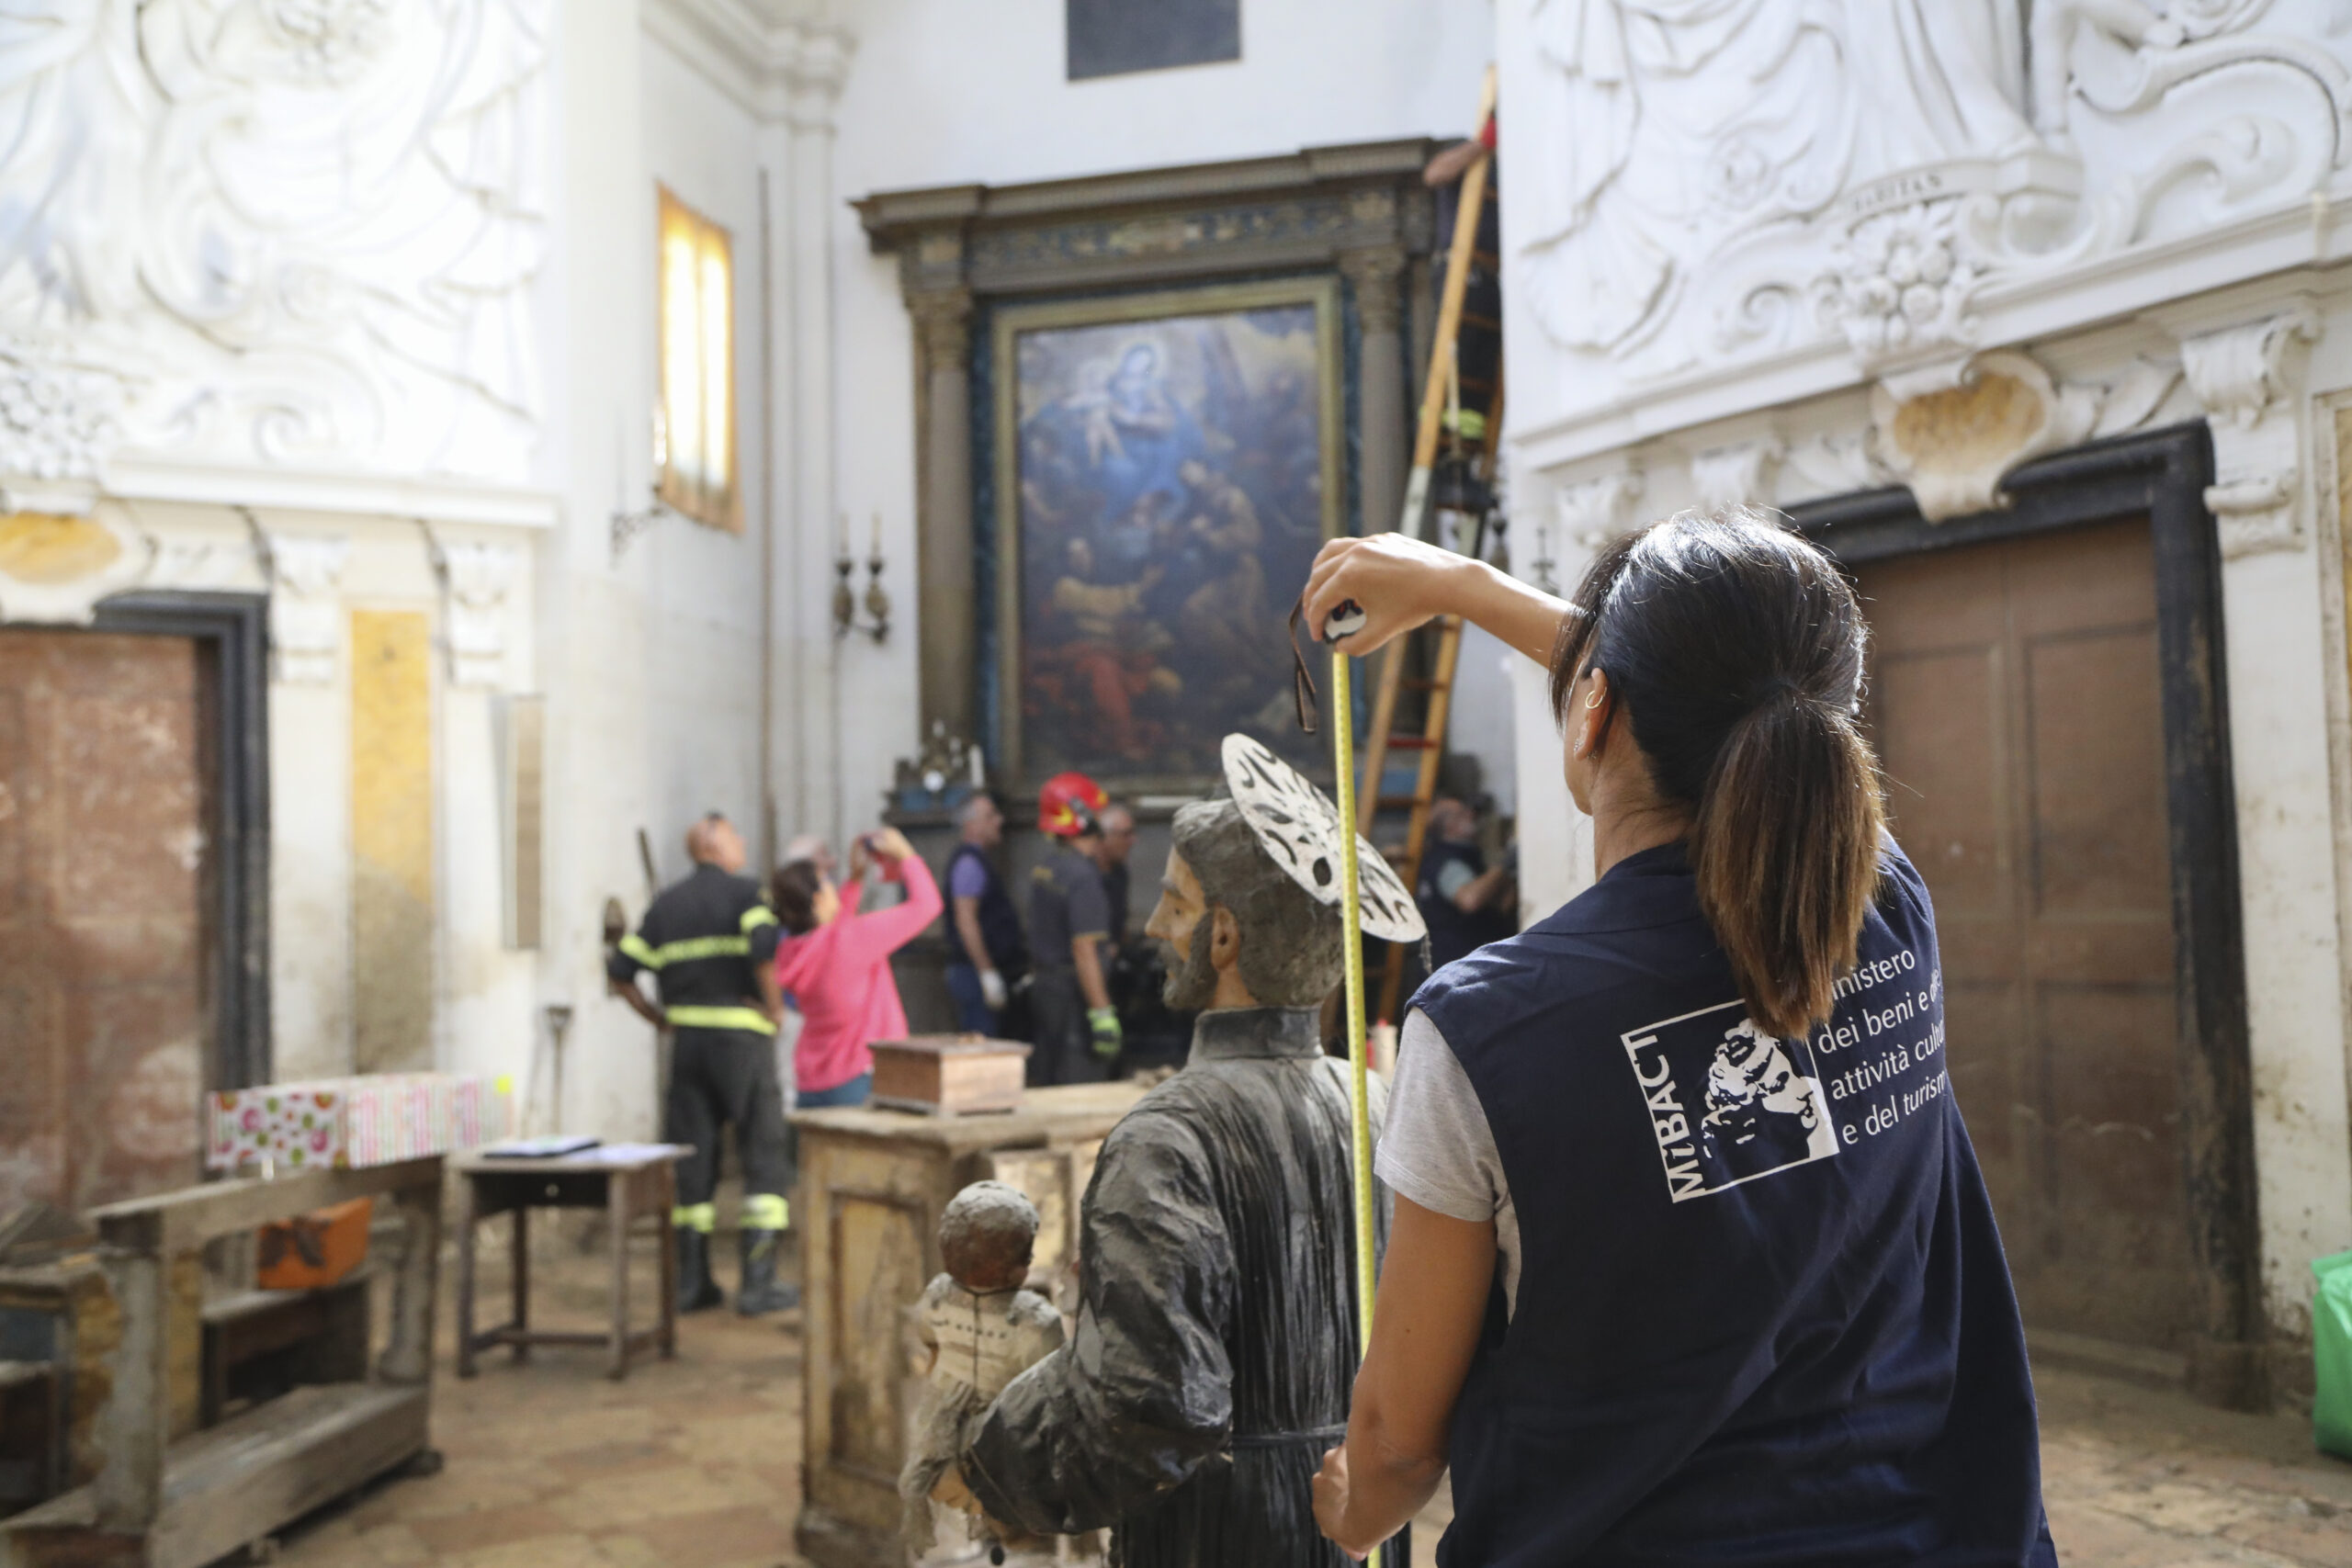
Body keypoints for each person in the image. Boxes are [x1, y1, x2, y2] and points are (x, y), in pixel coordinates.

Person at [1301, 512, 2056, 1566]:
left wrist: (1350, 1512)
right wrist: (1468, 585)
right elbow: (1735, 692)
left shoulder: (1484, 1028)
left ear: (1593, 706)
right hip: (1946, 1532)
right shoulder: (1881, 904)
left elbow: (1394, 1444)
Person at [937, 741, 1419, 1568]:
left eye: (1175, 904)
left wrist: (988, 1463)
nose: (1156, 926)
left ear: (1225, 935)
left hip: (1218, 1533)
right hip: (1364, 1519)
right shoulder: (1379, 1099)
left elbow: (1151, 1404)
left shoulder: (1167, 1135)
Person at [605, 812, 796, 1317]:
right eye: (736, 835)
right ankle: (757, 1284)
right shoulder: (747, 894)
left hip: (688, 1046)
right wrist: (775, 1009)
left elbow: (619, 970)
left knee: (693, 1162)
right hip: (742, 1042)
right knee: (764, 1154)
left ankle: (692, 1283)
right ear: (712, 844)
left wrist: (658, 1020)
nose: (744, 842)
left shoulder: (667, 903)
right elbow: (762, 948)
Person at [772, 827, 942, 1110]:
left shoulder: (791, 950)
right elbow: (927, 905)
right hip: (859, 1078)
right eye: (827, 883)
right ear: (818, 899)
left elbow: (830, 933)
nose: (832, 886)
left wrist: (856, 879)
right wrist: (907, 855)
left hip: (812, 1083)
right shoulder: (852, 939)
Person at [1028, 773, 1121, 1084]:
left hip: (1045, 992)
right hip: (1073, 999)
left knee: (1048, 1081)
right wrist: (1102, 1012)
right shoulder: (1083, 877)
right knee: (1080, 1084)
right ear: (1082, 816)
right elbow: (1084, 950)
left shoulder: (1048, 867)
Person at [944, 794, 1028, 1035]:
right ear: (971, 825)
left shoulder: (979, 861)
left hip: (982, 970)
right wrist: (986, 973)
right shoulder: (969, 863)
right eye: (990, 816)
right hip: (973, 973)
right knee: (983, 1043)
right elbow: (966, 920)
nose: (999, 821)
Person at [1416, 795, 1515, 972]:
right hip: (1460, 966)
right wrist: (1506, 862)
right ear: (1449, 826)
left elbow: (1500, 906)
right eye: (1462, 814)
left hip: (1462, 965)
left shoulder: (1456, 857)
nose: (1471, 815)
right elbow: (1470, 900)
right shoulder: (1447, 862)